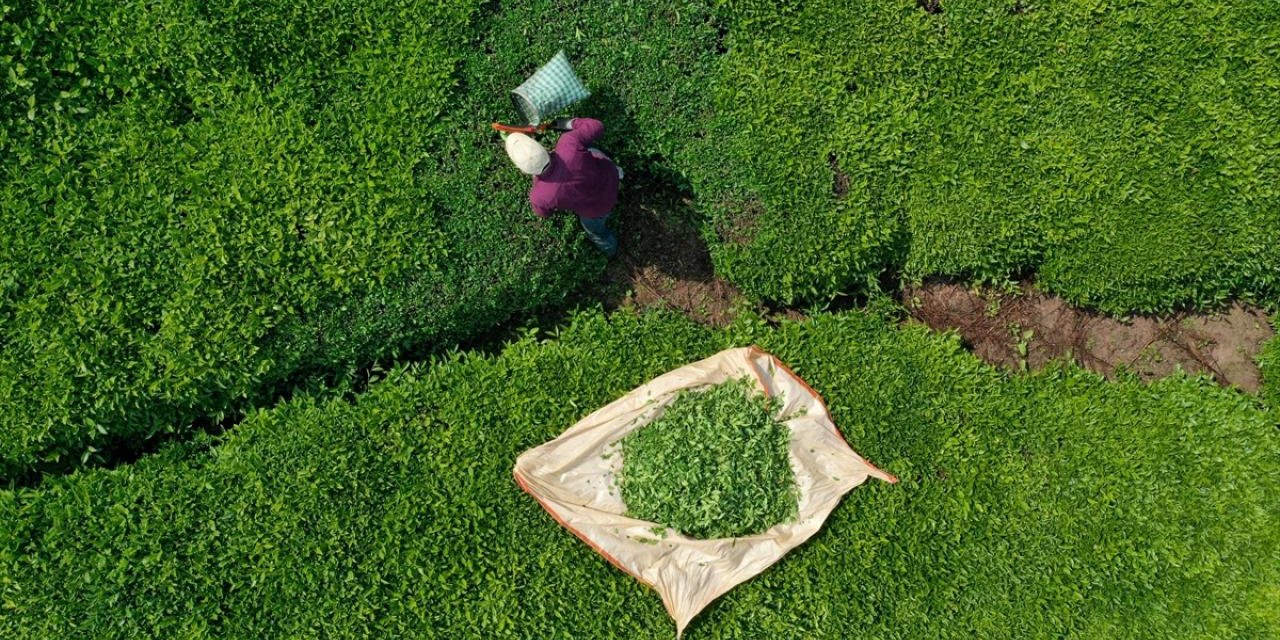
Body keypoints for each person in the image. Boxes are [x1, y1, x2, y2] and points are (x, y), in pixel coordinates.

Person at [504, 117, 623, 257]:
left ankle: (612, 252)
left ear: (523, 171)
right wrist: (569, 123)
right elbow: (597, 126)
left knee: (597, 232)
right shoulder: (569, 144)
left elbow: (543, 213)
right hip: (611, 178)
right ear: (544, 148)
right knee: (591, 150)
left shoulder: (539, 197)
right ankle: (621, 173)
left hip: (597, 211)